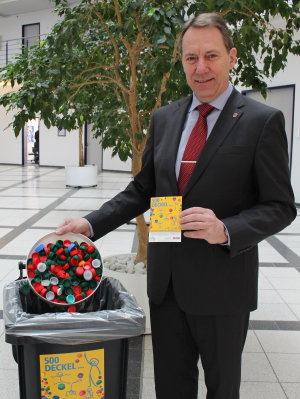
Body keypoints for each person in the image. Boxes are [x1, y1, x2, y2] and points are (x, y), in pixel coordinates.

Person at [56, 13, 296, 399]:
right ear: (181, 60)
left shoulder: (261, 121)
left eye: (211, 56)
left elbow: (280, 206)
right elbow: (142, 189)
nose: (200, 68)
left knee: (222, 389)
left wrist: (227, 229)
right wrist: (89, 224)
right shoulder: (165, 118)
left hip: (223, 287)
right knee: (171, 387)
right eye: (190, 58)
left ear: (232, 57)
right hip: (166, 286)